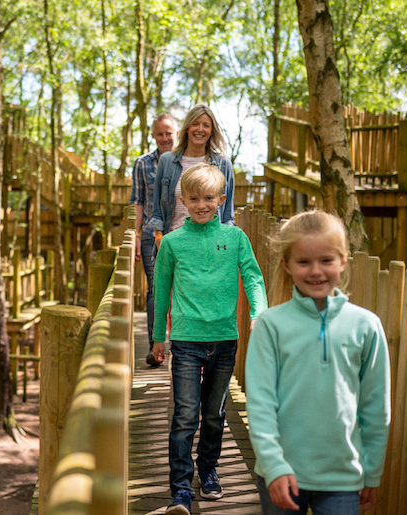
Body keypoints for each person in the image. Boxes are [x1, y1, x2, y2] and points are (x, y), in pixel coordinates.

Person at [245, 210, 390, 515]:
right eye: (304, 262)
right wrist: (273, 465)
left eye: (326, 260)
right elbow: (260, 404)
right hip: (281, 473)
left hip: (343, 478)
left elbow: (376, 407)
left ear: (344, 260)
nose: (316, 271)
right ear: (286, 264)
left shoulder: (366, 325)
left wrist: (371, 470)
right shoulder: (271, 325)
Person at [152, 164, 267, 515]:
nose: (201, 205)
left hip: (224, 339)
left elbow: (253, 277)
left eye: (209, 198)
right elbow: (161, 291)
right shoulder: (171, 243)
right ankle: (181, 490)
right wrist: (159, 338)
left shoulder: (235, 239)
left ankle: (209, 469)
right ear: (183, 200)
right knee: (186, 415)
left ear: (221, 199)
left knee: (215, 413)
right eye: (194, 198)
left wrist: (258, 313)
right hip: (186, 341)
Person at [147, 104, 236, 366]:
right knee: (172, 299)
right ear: (186, 128)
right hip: (175, 240)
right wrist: (160, 240)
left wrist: (227, 246)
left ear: (212, 131)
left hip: (209, 242)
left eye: (206, 125)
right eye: (196, 124)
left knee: (202, 299)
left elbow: (227, 213)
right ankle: (181, 354)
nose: (200, 129)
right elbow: (157, 209)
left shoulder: (222, 164)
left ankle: (199, 358)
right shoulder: (167, 161)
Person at [129, 113, 178, 367]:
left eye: (168, 133)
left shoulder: (182, 162)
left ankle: (181, 346)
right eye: (159, 133)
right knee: (154, 289)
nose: (164, 138)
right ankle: (154, 346)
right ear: (153, 135)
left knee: (181, 290)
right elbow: (137, 202)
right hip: (151, 235)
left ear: (177, 133)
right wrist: (136, 235)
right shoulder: (142, 164)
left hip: (180, 235)